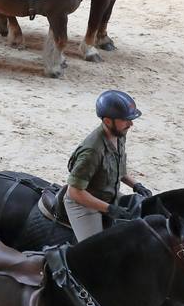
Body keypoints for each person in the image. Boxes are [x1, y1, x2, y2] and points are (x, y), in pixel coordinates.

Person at [63, 90, 149, 240]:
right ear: (108, 121)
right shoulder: (92, 150)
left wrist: (136, 185)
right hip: (85, 204)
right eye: (126, 119)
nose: (131, 124)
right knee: (97, 252)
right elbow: (74, 192)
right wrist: (109, 209)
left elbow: (119, 170)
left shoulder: (119, 135)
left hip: (107, 194)